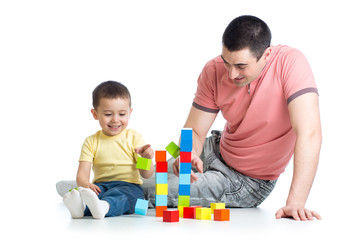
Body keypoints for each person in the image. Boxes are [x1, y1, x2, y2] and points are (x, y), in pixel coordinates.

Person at [144, 15, 322, 221]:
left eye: (241, 66)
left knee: (147, 187)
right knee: (136, 172)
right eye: (226, 62)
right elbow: (194, 130)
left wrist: (296, 203)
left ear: (267, 54)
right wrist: (189, 153)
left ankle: (105, 199)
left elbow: (310, 134)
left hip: (246, 180)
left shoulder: (290, 63)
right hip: (214, 148)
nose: (230, 74)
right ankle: (102, 186)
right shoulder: (212, 69)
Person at [62, 81, 154, 219]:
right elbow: (82, 175)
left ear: (130, 113)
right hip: (101, 186)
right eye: (108, 114)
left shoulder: (134, 138)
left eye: (122, 114)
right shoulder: (91, 141)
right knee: (92, 195)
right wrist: (87, 185)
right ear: (95, 114)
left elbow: (146, 174)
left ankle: (104, 207)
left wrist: (146, 159)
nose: (115, 120)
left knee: (124, 197)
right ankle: (80, 209)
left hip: (129, 186)